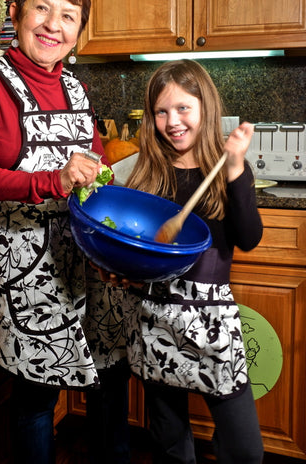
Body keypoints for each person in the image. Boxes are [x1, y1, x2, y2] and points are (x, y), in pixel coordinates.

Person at [0, 0, 129, 464]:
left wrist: (108, 174)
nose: (54, 25)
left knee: (107, 376)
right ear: (17, 13)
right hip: (24, 265)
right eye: (42, 8)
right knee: (37, 396)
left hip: (85, 255)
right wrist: (50, 181)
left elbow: (92, 163)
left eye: (68, 16)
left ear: (78, 32)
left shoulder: (76, 87)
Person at [122, 59, 264, 463]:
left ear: (206, 108)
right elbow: (136, 249)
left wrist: (235, 168)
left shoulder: (228, 170)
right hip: (155, 317)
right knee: (170, 440)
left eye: (183, 108)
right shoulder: (148, 173)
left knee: (245, 449)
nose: (173, 121)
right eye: (161, 111)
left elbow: (250, 238)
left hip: (212, 321)